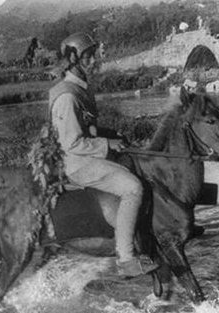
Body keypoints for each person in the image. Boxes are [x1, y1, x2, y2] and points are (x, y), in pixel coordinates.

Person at [48, 32, 158, 277]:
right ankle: (126, 259)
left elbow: (88, 129)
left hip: (90, 156)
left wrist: (112, 134)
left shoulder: (81, 88)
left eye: (92, 55)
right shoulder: (67, 95)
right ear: (73, 60)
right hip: (78, 163)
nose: (93, 60)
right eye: (87, 56)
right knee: (133, 188)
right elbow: (72, 142)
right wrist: (107, 144)